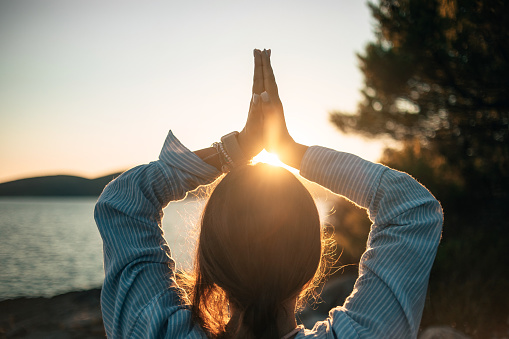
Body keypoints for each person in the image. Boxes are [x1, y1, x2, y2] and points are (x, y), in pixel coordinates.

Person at [95, 49, 443, 339]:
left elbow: (124, 202)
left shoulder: (156, 332)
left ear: (211, 264)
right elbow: (411, 208)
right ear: (311, 265)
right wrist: (290, 150)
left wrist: (234, 149)